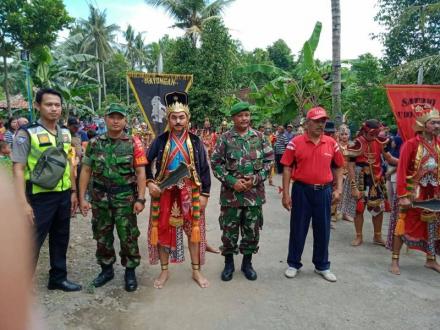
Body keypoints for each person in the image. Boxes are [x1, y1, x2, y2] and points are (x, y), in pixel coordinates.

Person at [11, 88, 81, 292]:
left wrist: (74, 192)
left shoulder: (66, 133)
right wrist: (23, 203)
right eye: (49, 104)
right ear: (38, 106)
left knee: (61, 237)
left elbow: (70, 165)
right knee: (32, 241)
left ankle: (58, 278)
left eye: (57, 105)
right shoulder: (27, 134)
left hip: (63, 195)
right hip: (39, 197)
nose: (53, 109)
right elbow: (18, 168)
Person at [146, 91, 211, 289]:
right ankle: (164, 271)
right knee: (163, 231)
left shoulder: (196, 142)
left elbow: (204, 170)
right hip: (164, 192)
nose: (178, 121)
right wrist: (150, 183)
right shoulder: (160, 140)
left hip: (190, 192)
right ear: (168, 119)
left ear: (188, 119)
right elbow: (145, 163)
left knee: (194, 233)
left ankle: (196, 271)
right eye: (174, 117)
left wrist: (205, 195)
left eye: (181, 117)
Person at [79, 104, 147, 292]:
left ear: (125, 120)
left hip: (125, 198)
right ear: (105, 118)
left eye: (119, 117)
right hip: (100, 198)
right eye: (112, 117)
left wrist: (141, 199)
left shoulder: (134, 143)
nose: (116, 121)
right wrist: (82, 198)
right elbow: (85, 170)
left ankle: (130, 270)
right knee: (102, 235)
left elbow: (141, 173)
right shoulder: (94, 143)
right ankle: (106, 269)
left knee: (128, 236)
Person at [211, 101, 274, 282]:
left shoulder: (260, 138)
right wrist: (232, 181)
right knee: (229, 232)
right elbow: (215, 163)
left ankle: (247, 263)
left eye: (246, 115)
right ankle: (228, 264)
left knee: (251, 232)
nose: (244, 118)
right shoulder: (225, 139)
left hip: (253, 197)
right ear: (233, 118)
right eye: (240, 115)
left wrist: (254, 179)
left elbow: (270, 161)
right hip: (231, 197)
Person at [281, 107, 344, 282]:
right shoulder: (296, 142)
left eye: (323, 121)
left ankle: (322, 265)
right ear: (307, 123)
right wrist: (285, 194)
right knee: (298, 227)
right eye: (316, 121)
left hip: (324, 191)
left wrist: (338, 189)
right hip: (301, 190)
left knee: (323, 229)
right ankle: (294, 263)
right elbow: (287, 168)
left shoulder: (331, 143)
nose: (320, 124)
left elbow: (339, 166)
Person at [389, 107, 440, 275]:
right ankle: (395, 260)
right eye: (433, 123)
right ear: (424, 125)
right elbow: (402, 169)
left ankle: (431, 259)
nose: (437, 126)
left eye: (439, 122)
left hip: (433, 193)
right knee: (403, 225)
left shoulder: (438, 144)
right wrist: (402, 195)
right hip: (412, 192)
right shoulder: (411, 144)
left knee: (432, 224)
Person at [347, 119, 397, 246]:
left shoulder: (380, 142)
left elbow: (389, 158)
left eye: (376, 134)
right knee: (359, 209)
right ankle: (359, 236)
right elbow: (351, 166)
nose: (374, 137)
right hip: (360, 178)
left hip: (377, 179)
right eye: (372, 134)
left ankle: (377, 236)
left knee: (378, 208)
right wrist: (353, 186)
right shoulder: (356, 144)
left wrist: (404, 161)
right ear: (365, 130)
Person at [336, 125, 356, 222]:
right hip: (338, 171)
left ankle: (345, 213)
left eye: (346, 134)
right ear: (339, 135)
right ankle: (334, 213)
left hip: (349, 171)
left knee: (347, 194)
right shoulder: (336, 145)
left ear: (349, 135)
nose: (344, 136)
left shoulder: (352, 145)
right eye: (342, 134)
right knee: (337, 192)